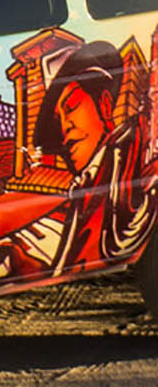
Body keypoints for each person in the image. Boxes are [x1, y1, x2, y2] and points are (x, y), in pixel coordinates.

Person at [34, 41, 155, 266]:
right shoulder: (86, 182)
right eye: (58, 120)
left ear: (106, 105)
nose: (64, 129)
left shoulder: (126, 160)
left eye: (71, 107)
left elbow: (121, 244)